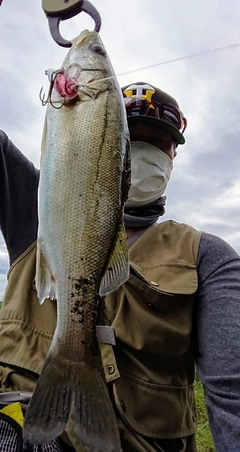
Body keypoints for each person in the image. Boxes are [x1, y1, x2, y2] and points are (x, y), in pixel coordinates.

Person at [0, 80, 239, 452]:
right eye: (131, 136)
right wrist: (70, 102)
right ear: (104, 140)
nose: (142, 151)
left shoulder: (206, 256)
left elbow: (232, 394)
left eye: (158, 142)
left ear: (173, 155)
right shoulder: (35, 216)